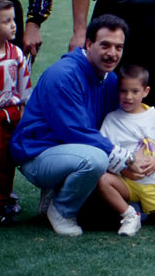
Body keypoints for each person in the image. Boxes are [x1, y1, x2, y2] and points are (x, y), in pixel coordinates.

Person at [10, 15, 136, 236]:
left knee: (105, 159)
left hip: (69, 152)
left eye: (118, 47)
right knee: (96, 158)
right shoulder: (64, 74)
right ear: (88, 44)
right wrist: (122, 157)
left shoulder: (110, 79)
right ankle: (61, 211)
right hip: (37, 155)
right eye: (105, 45)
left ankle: (54, 195)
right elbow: (73, 131)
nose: (112, 53)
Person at [96, 65, 155, 236]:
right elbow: (103, 152)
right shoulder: (112, 119)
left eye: (135, 91)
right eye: (123, 91)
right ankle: (130, 214)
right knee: (102, 179)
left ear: (145, 91)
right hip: (126, 182)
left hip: (153, 183)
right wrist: (123, 169)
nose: (128, 97)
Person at [0, 0, 32, 226]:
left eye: (13, 20)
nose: (14, 25)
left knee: (4, 163)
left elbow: (24, 91)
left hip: (8, 119)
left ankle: (1, 203)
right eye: (6, 21)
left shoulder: (17, 54)